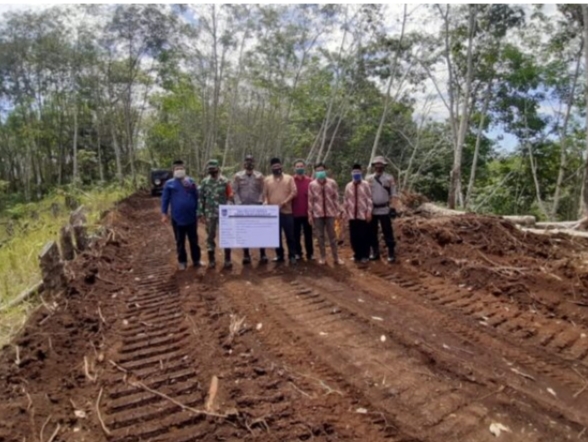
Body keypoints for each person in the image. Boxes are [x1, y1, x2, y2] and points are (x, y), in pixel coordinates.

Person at [160, 160, 202, 270]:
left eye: (181, 168)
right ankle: (182, 261)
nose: (179, 170)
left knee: (194, 240)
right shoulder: (169, 184)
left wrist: (199, 211)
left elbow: (196, 197)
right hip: (177, 218)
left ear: (184, 169)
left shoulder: (190, 181)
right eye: (177, 169)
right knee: (180, 240)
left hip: (191, 217)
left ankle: (196, 260)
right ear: (173, 170)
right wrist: (164, 214)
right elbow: (165, 199)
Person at [232, 154, 268, 265]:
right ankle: (246, 255)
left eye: (251, 161)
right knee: (245, 232)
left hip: (257, 206)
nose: (249, 163)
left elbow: (263, 190)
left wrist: (261, 202)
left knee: (260, 231)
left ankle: (263, 254)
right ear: (244, 163)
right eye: (247, 160)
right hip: (242, 207)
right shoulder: (237, 176)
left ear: (254, 163)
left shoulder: (260, 176)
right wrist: (238, 204)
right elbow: (235, 191)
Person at [200, 159, 234, 269]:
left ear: (218, 169)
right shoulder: (204, 182)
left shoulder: (225, 181)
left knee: (226, 235)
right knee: (210, 237)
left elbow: (230, 195)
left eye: (214, 169)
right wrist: (201, 213)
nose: (212, 171)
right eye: (210, 170)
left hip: (224, 214)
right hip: (210, 214)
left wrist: (229, 206)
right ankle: (211, 260)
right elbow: (201, 199)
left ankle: (228, 260)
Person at [263, 157, 297, 265]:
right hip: (273, 213)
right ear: (271, 168)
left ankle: (292, 255)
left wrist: (284, 202)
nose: (276, 168)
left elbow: (294, 192)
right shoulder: (267, 180)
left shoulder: (289, 178)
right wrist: (265, 203)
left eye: (278, 166)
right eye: (274, 167)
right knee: (276, 236)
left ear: (281, 166)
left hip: (287, 212)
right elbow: (265, 195)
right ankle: (279, 255)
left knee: (290, 235)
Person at [308, 162, 343, 265]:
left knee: (332, 236)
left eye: (322, 170)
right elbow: (310, 200)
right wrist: (310, 214)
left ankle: (336, 257)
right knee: (320, 236)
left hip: (330, 213)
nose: (320, 172)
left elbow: (336, 198)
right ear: (315, 172)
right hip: (317, 214)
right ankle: (323, 257)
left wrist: (339, 210)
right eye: (318, 171)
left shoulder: (332, 183)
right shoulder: (312, 184)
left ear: (325, 170)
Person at [366, 156, 398, 263]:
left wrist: (393, 208)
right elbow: (365, 195)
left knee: (387, 231)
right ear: (373, 166)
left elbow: (394, 194)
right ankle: (375, 252)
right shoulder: (368, 178)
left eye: (381, 165)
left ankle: (391, 252)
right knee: (371, 232)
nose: (379, 166)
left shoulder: (389, 178)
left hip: (384, 208)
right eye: (376, 164)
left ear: (384, 166)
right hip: (372, 209)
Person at [343, 163, 373, 264]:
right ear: (351, 173)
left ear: (361, 172)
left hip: (363, 215)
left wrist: (369, 212)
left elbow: (369, 199)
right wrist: (345, 213)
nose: (356, 173)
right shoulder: (348, 186)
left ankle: (365, 255)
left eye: (358, 172)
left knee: (364, 236)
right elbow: (346, 200)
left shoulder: (365, 185)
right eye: (354, 172)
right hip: (352, 215)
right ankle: (357, 254)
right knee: (353, 237)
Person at [292, 159, 314, 261]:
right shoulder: (291, 181)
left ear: (304, 168)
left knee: (308, 235)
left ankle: (310, 254)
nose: (299, 168)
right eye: (297, 166)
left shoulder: (310, 181)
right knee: (296, 235)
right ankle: (298, 253)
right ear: (294, 168)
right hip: (294, 213)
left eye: (301, 166)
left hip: (307, 213)